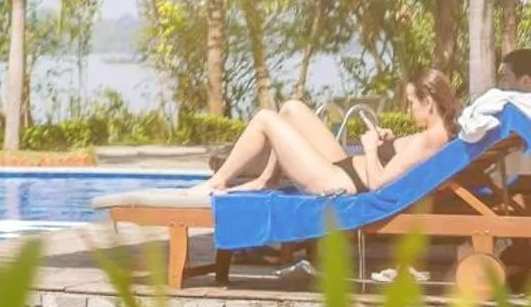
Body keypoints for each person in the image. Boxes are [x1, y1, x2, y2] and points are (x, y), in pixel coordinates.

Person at [189, 70, 461, 198]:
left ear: (429, 102)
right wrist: (388, 144)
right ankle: (265, 179)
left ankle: (219, 180)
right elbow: (401, 163)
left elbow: (379, 184)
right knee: (292, 109)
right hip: (346, 168)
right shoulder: (437, 135)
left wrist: (369, 148)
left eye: (412, 101)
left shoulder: (430, 140)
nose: (408, 107)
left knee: (264, 119)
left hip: (338, 182)